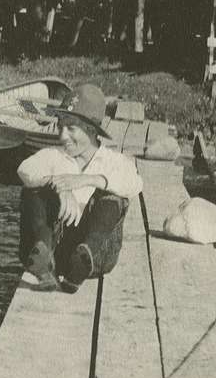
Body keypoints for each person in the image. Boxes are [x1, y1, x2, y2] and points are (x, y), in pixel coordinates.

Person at [17, 83, 143, 292]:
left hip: (97, 254)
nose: (62, 136)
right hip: (56, 247)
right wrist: (59, 185)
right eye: (60, 126)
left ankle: (84, 258)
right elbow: (25, 169)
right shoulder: (54, 156)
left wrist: (90, 180)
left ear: (91, 129)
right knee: (34, 188)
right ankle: (43, 260)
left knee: (114, 198)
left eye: (71, 128)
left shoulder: (114, 161)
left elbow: (135, 183)